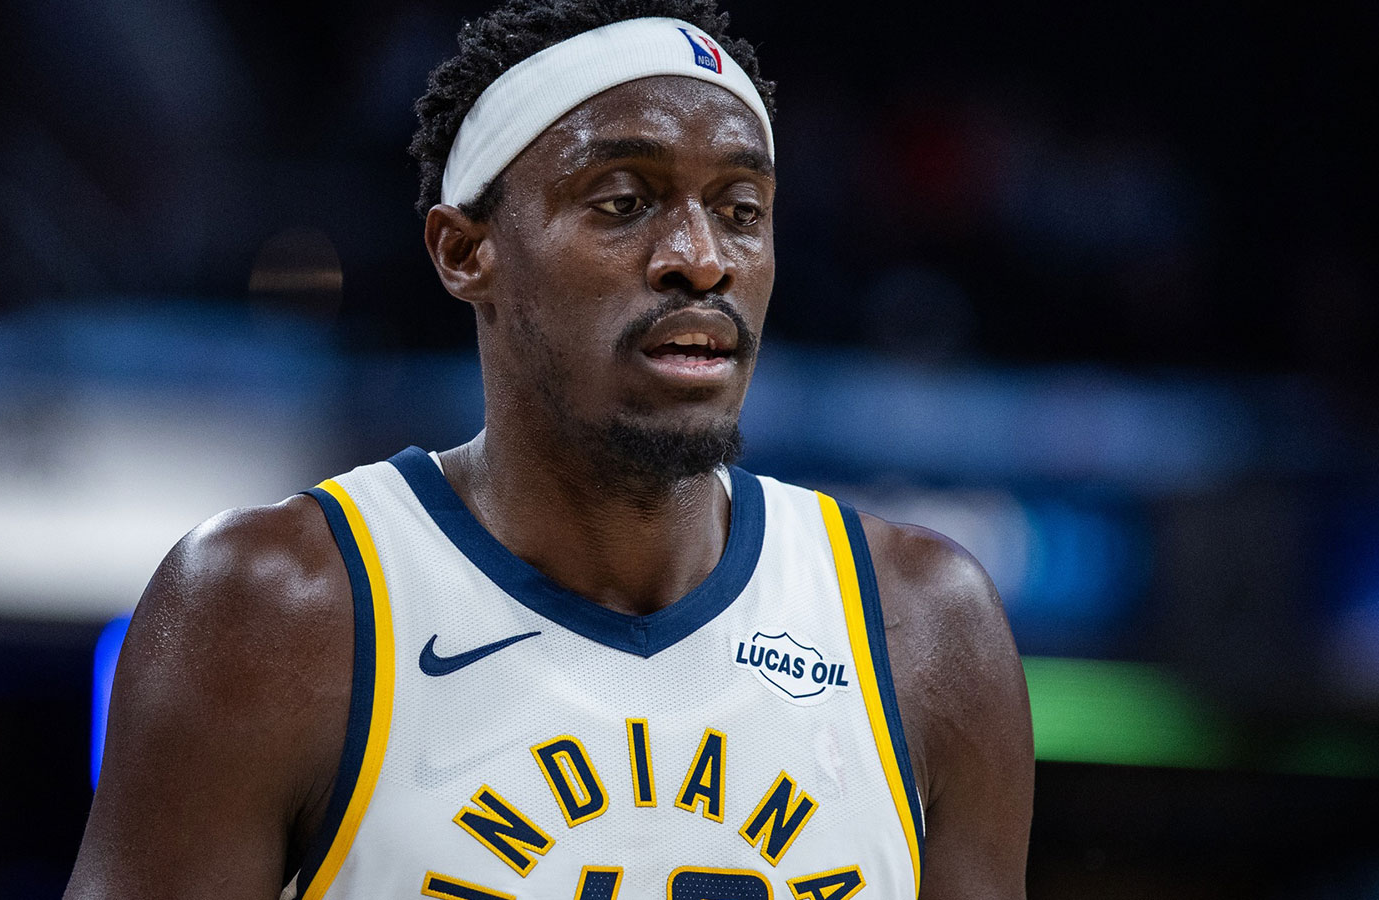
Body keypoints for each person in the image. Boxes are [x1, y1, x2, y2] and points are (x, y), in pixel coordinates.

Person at [63, 1, 1033, 898]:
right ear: (463, 250)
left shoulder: (925, 632)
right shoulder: (272, 609)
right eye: (622, 201)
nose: (701, 257)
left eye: (741, 210)